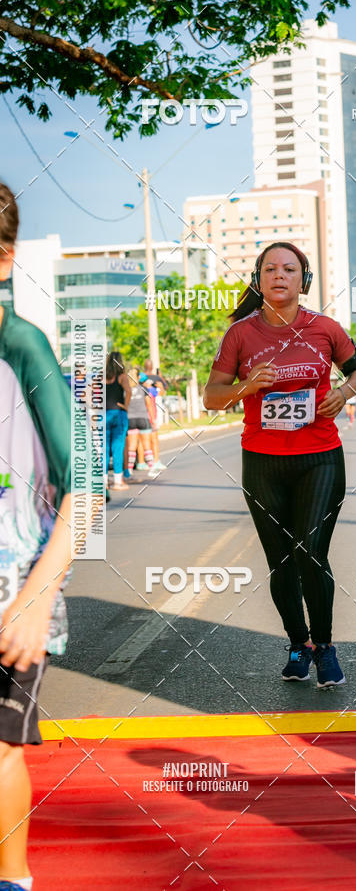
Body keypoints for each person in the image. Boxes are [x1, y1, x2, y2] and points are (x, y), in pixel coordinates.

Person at [203, 242, 356, 688]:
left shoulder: (325, 327)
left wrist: (344, 393)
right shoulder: (239, 335)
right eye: (270, 269)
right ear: (258, 280)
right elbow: (211, 397)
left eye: (290, 269)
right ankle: (298, 644)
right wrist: (245, 386)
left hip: (319, 458)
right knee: (280, 560)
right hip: (262, 462)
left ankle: (325, 648)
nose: (280, 275)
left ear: (305, 280)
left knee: (311, 555)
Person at [0, 181, 73, 891]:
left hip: (10, 587)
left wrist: (34, 597)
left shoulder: (23, 348)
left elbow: (87, 494)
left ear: (4, 260)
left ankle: (13, 882)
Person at [125, 369, 160, 479]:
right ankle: (151, 469)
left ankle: (129, 470)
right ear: (137, 377)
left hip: (130, 419)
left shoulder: (126, 390)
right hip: (143, 418)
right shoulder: (143, 389)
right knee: (146, 445)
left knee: (132, 446)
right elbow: (148, 404)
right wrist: (153, 420)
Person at [104, 351, 131, 490]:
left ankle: (103, 482)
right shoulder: (122, 377)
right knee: (118, 448)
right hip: (118, 414)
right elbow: (129, 391)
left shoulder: (102, 377)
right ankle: (117, 481)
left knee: (104, 449)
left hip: (104, 415)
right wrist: (125, 406)